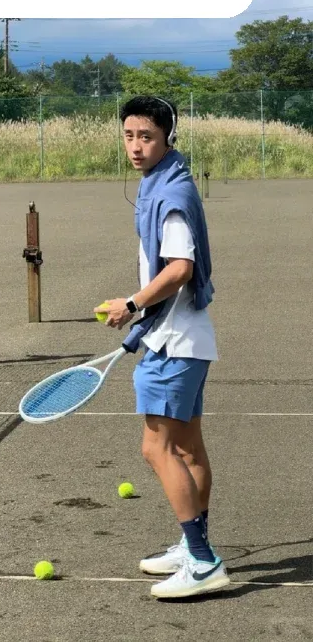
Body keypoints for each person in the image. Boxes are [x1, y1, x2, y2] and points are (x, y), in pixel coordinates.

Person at [97, 97, 228, 599]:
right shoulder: (166, 181)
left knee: (157, 447)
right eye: (129, 135)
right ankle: (191, 544)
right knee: (189, 447)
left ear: (167, 137)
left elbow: (179, 269)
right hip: (188, 337)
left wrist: (130, 304)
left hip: (175, 343)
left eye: (146, 136)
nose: (135, 145)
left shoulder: (171, 193)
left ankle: (201, 560)